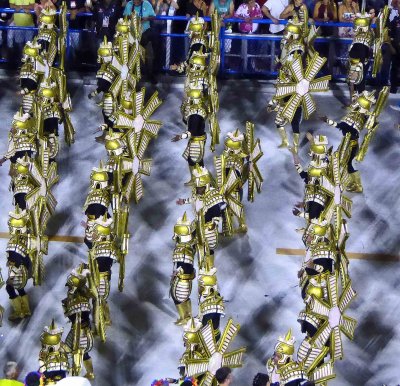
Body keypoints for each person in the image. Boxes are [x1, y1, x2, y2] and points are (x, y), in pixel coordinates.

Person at [124, 0, 160, 83]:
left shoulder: (147, 4)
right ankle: (131, 77)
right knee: (130, 56)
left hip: (145, 33)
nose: (135, 2)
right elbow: (125, 16)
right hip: (132, 34)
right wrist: (132, 17)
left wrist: (146, 18)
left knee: (149, 56)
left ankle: (150, 76)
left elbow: (153, 16)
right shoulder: (129, 4)